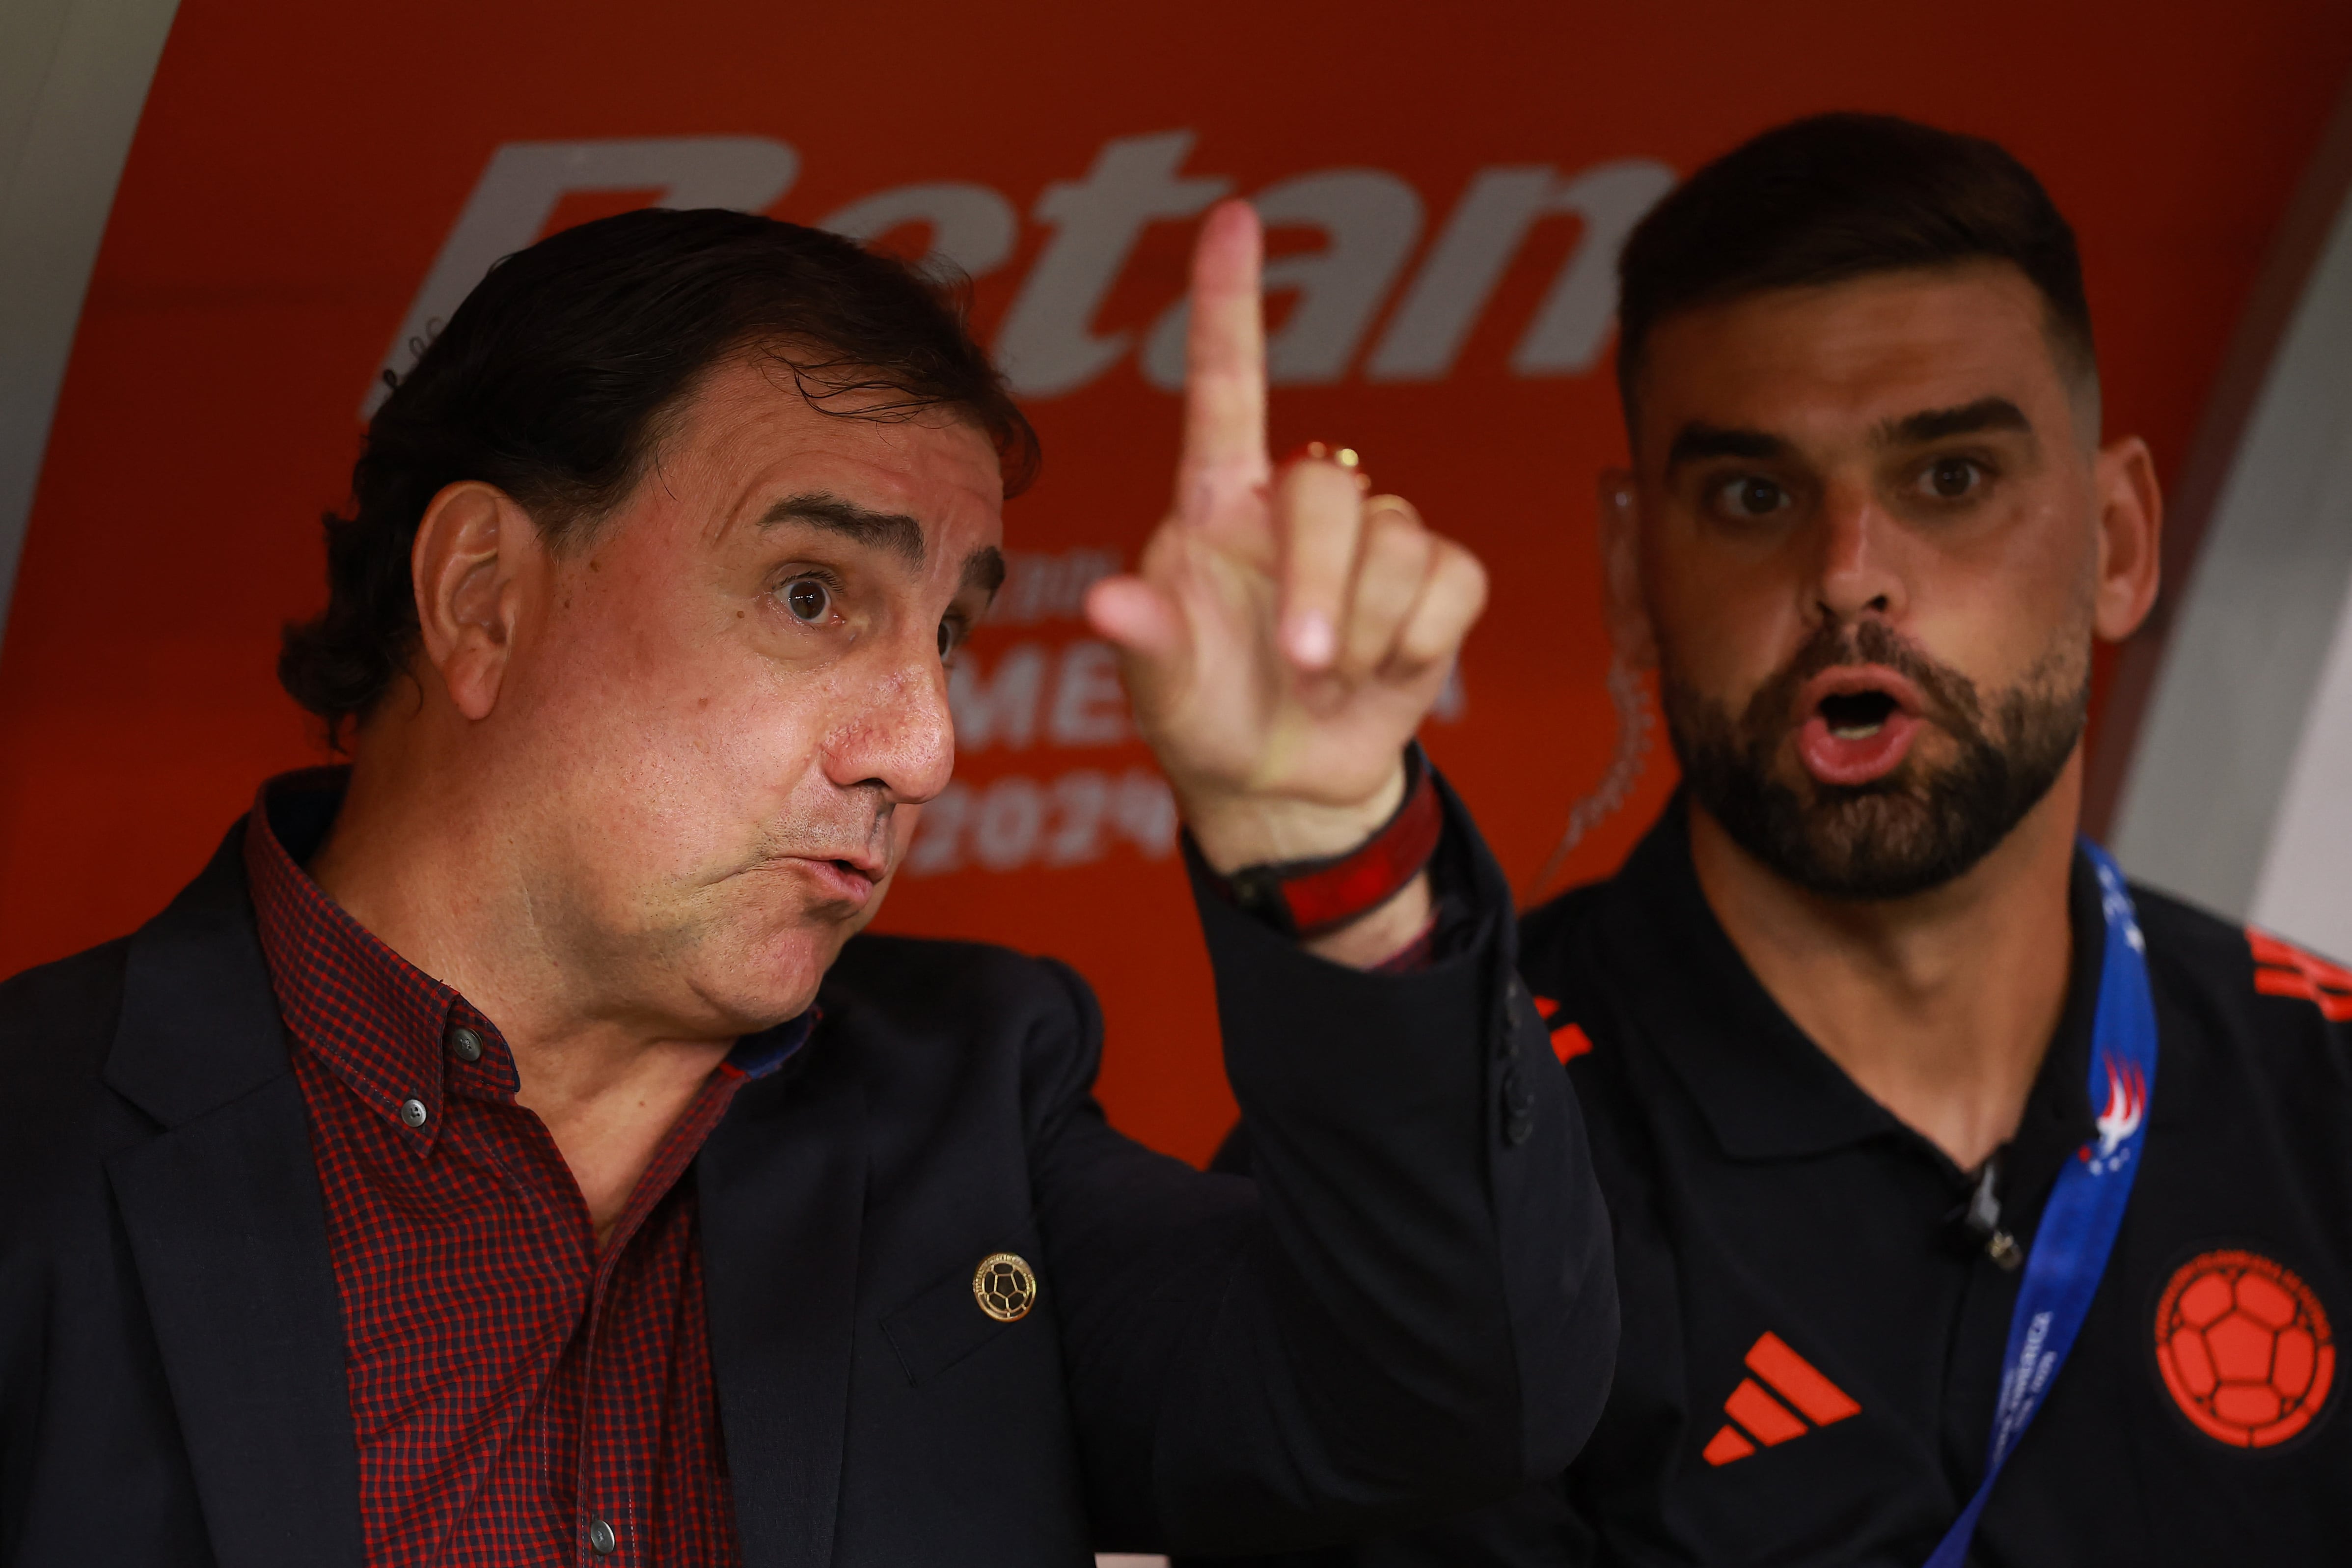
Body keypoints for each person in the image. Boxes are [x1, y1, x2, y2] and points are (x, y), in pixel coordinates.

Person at [0, 200, 1618, 1565]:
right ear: (482, 598)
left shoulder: (975, 1103)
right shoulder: (36, 1138)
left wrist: (1333, 846)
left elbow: (1454, 1398)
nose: (922, 747)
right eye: (809, 592)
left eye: (951, 631)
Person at [1204, 114, 2352, 1566]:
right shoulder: (1427, 1186)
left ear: (2119, 541)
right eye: (1755, 496)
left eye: (1950, 478)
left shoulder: (2324, 1095)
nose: (1848, 577)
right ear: (1633, 572)